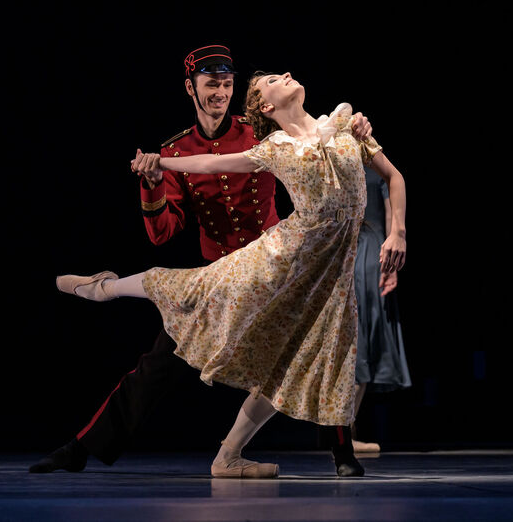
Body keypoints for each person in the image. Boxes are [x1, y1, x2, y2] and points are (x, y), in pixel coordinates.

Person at [29, 46, 375, 478]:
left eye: (228, 84)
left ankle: (340, 452)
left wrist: (357, 127)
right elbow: (163, 232)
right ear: (191, 88)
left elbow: (316, 142)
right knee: (155, 367)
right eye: (212, 84)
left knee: (315, 343)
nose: (221, 93)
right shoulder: (177, 150)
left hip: (279, 269)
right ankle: (80, 448)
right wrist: (154, 182)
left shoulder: (261, 132)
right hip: (222, 279)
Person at [350, 165, 412, 453]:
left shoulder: (374, 169)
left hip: (362, 252)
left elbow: (391, 215)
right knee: (361, 339)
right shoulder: (374, 168)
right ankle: (343, 432)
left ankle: (344, 430)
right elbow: (390, 214)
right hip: (361, 252)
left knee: (361, 338)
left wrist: (391, 263)